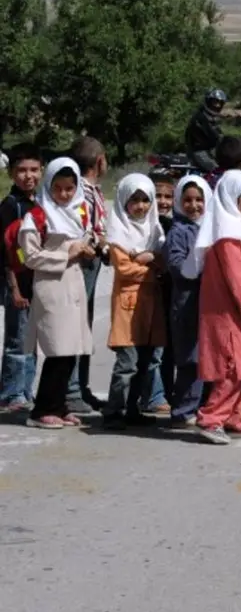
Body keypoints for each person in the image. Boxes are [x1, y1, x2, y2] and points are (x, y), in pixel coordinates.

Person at [184, 170, 241, 445]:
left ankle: (235, 417)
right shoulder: (228, 236)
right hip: (229, 312)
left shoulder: (230, 227)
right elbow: (236, 278)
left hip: (230, 312)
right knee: (232, 368)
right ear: (230, 197)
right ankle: (211, 417)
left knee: (240, 367)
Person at [17, 158, 96, 429]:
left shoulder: (79, 212)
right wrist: (66, 253)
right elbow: (30, 257)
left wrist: (87, 247)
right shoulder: (36, 217)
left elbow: (87, 236)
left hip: (73, 285)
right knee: (57, 351)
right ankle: (42, 410)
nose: (64, 194)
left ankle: (59, 406)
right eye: (58, 188)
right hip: (51, 287)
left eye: (69, 188)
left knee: (70, 350)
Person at [100, 174, 167, 430]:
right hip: (128, 307)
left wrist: (150, 259)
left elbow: (164, 261)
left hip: (151, 307)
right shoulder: (118, 233)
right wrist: (152, 267)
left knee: (145, 361)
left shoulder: (155, 231)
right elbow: (124, 269)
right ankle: (113, 411)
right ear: (123, 202)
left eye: (145, 200)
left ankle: (133, 409)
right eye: (134, 200)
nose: (140, 206)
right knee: (126, 363)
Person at [65, 136, 110, 415]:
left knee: (85, 328)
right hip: (82, 262)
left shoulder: (91, 190)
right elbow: (81, 227)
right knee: (76, 328)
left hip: (91, 261)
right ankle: (71, 390)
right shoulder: (80, 191)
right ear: (99, 161)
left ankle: (81, 387)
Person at [163, 175, 212, 428]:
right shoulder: (178, 232)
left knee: (205, 359)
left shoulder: (210, 227)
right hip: (187, 305)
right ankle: (182, 411)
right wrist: (202, 268)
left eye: (199, 200)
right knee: (190, 360)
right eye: (188, 200)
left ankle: (201, 405)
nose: (194, 206)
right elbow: (177, 266)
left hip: (208, 305)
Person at [0, 143, 41, 411]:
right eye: (22, 170)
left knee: (32, 340)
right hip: (17, 282)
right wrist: (14, 289)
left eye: (34, 170)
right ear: (12, 174)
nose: (29, 176)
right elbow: (5, 253)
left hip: (37, 281)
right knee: (17, 339)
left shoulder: (40, 202)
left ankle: (26, 391)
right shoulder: (10, 206)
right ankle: (10, 394)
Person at [150, 170, 177, 411]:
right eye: (157, 195)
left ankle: (166, 392)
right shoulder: (142, 223)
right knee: (153, 349)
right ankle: (154, 395)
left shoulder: (172, 223)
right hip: (147, 291)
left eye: (168, 196)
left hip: (168, 291)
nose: (163, 201)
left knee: (166, 347)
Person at [185, 88, 227, 174]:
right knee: (220, 171)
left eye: (220, 103)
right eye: (215, 102)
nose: (217, 106)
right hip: (199, 152)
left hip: (208, 151)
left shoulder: (210, 118)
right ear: (208, 101)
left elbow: (220, 135)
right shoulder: (200, 118)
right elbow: (214, 137)